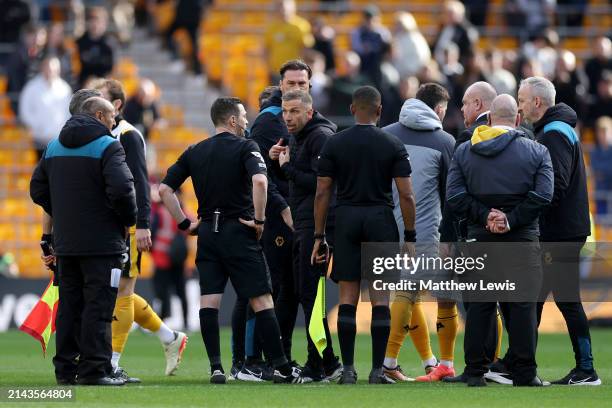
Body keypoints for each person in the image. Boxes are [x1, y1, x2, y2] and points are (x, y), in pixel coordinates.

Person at [158, 97, 308, 384]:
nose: (247, 122)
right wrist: (261, 221)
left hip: (208, 236)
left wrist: (185, 224)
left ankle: (216, 367)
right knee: (262, 299)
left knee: (209, 301)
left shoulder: (195, 151)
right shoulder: (246, 147)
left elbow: (165, 190)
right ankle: (281, 367)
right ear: (232, 120)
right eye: (243, 117)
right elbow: (261, 182)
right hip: (239, 230)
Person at [446, 94, 554, 387]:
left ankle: (474, 371)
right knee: (522, 307)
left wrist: (484, 217)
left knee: (480, 305)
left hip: (479, 240)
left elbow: (455, 196)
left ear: (490, 119)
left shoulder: (465, 151)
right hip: (522, 241)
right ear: (518, 120)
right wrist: (512, 219)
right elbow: (543, 195)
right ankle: (525, 373)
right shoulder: (537, 151)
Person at [313, 85, 416, 384]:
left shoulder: (334, 144)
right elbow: (406, 195)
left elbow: (322, 191)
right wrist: (410, 235)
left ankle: (347, 369)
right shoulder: (392, 143)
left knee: (348, 296)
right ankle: (376, 370)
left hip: (346, 218)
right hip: (380, 220)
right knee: (380, 297)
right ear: (380, 111)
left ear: (352, 109)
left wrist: (319, 236)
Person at [30, 96, 137, 386]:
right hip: (103, 245)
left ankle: (65, 370)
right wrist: (125, 219)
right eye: (112, 116)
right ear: (100, 115)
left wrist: (64, 209)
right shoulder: (108, 146)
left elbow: (37, 190)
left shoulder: (53, 146)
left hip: (66, 244)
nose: (115, 121)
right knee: (99, 307)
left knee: (69, 307)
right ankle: (94, 370)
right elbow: (123, 191)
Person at [91, 78, 188, 381]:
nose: (93, 106)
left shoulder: (129, 136)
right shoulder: (97, 135)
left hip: (127, 225)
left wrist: (142, 224)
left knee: (122, 289)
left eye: (100, 100)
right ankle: (170, 337)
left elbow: (140, 183)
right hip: (103, 224)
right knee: (112, 290)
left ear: (116, 105)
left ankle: (113, 361)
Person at [518, 76, 601, 386]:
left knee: (561, 298)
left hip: (560, 232)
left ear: (538, 102)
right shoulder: (556, 129)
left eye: (523, 99)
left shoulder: (552, 134)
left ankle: (586, 368)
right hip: (564, 229)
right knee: (537, 298)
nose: (520, 105)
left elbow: (555, 186)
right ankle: (520, 361)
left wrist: (523, 210)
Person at [381, 83, 457, 382]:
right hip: (427, 232)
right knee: (430, 295)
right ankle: (389, 362)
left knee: (404, 293)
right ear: (439, 110)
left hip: (388, 228)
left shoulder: (386, 133)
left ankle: (428, 360)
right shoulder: (445, 141)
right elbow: (450, 194)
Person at [246, 60, 312, 375]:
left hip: (297, 215)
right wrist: (281, 207)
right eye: (292, 83)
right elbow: (258, 175)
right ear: (281, 85)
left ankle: (277, 358)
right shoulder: (268, 121)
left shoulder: (307, 120)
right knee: (272, 287)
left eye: (302, 83)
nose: (297, 88)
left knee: (287, 288)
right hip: (277, 217)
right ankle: (252, 360)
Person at [278, 89, 342, 381]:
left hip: (316, 228)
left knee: (311, 296)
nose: (288, 118)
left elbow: (322, 186)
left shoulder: (320, 137)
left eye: (294, 111)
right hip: (303, 224)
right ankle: (327, 360)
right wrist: (280, 164)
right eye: (285, 111)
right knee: (306, 296)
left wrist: (288, 168)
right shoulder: (300, 136)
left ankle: (317, 365)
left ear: (309, 111)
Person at [18, 56, 71, 160]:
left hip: (58, 140)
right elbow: (25, 110)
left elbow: (69, 112)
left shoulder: (65, 88)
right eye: (49, 69)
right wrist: (37, 125)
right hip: (39, 138)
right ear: (43, 68)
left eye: (54, 70)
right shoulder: (32, 87)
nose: (51, 72)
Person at [264, 0, 314, 81]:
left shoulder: (301, 25)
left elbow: (306, 48)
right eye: (278, 6)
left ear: (293, 7)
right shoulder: (272, 27)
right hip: (276, 71)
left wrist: (302, 68)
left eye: (283, 7)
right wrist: (269, 67)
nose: (281, 9)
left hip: (295, 71)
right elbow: (266, 49)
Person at [350, 5, 391, 88]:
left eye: (372, 18)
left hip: (381, 66)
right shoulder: (357, 32)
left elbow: (389, 51)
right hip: (363, 66)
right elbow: (357, 49)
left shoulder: (383, 32)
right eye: (367, 18)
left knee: (390, 80)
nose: (370, 21)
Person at [76, 7, 114, 86]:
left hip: (104, 84)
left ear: (104, 24)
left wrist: (102, 82)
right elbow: (75, 68)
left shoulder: (110, 44)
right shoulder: (79, 43)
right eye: (92, 21)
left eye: (98, 22)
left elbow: (113, 68)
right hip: (83, 84)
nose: (95, 25)